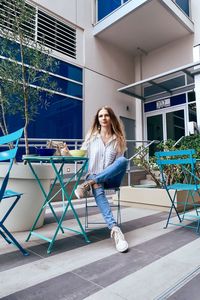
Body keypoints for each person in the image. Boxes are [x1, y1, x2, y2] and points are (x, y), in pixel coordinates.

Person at [75, 106, 129, 253]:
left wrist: (97, 178)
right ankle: (115, 229)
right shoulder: (92, 137)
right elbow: (80, 155)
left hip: (112, 179)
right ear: (97, 120)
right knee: (97, 182)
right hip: (94, 175)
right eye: (100, 116)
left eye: (106, 115)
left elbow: (118, 166)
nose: (103, 118)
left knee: (123, 161)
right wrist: (66, 151)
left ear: (111, 118)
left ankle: (87, 185)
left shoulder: (119, 139)